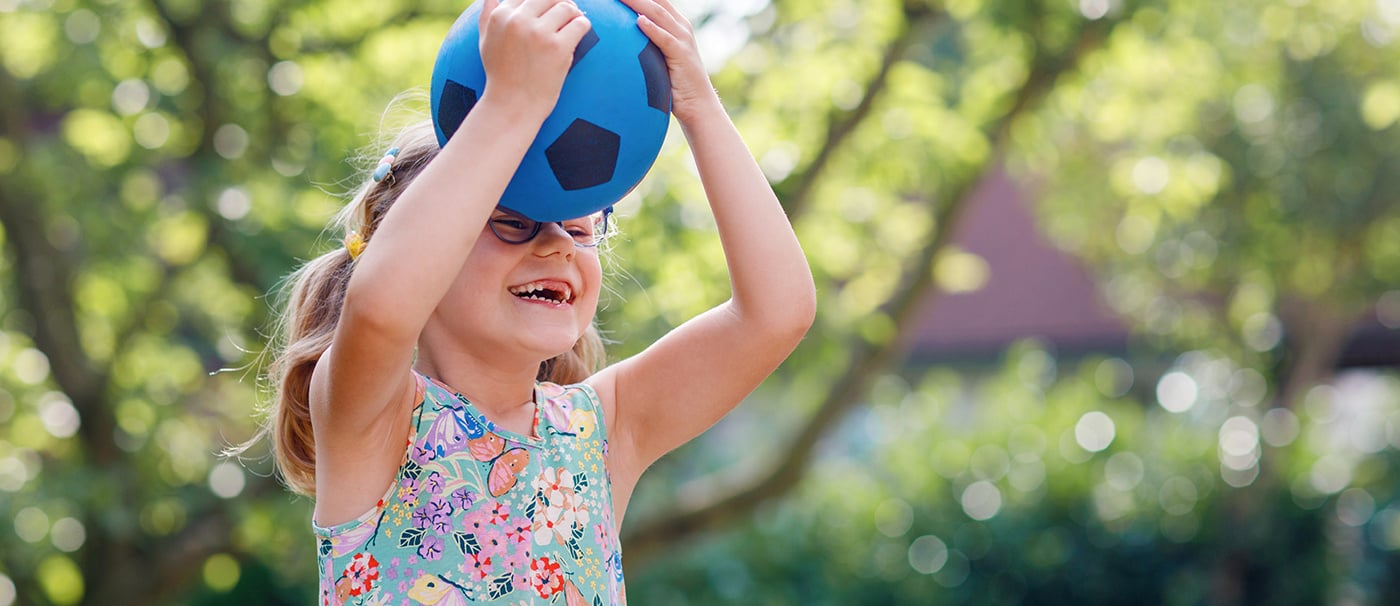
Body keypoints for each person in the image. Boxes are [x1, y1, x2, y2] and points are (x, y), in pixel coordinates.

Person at [258, 0, 814, 602]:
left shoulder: (602, 430)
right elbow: (383, 307)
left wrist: (700, 106)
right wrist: (509, 106)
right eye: (512, 222)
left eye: (579, 228)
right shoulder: (374, 420)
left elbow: (776, 314)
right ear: (429, 252)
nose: (557, 246)